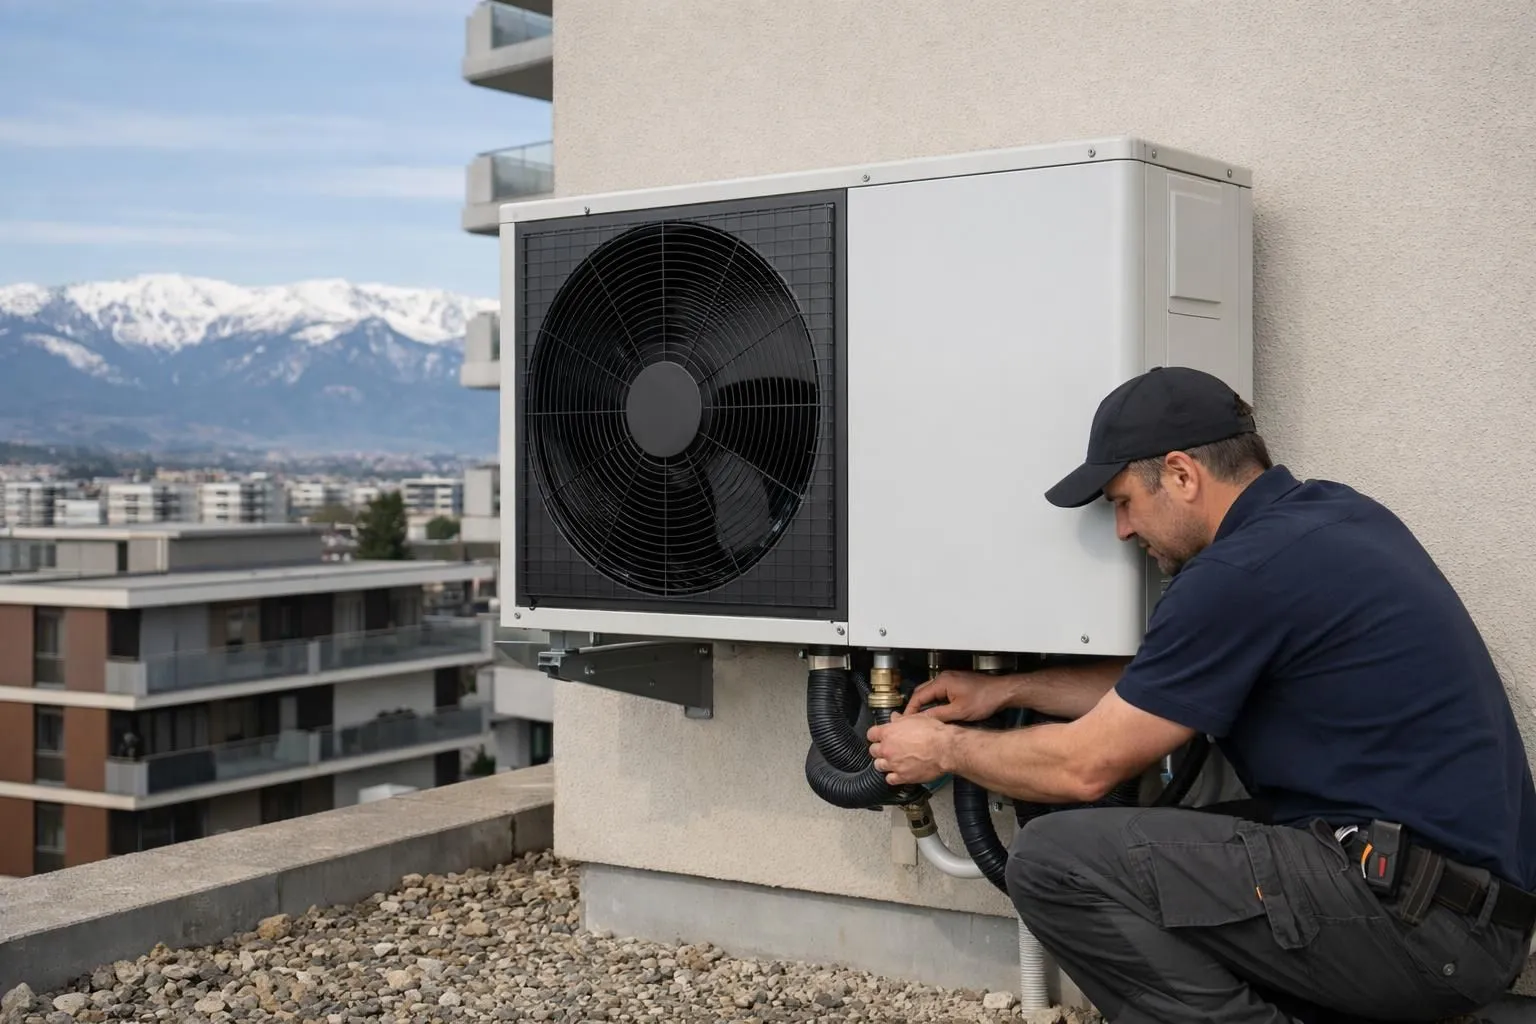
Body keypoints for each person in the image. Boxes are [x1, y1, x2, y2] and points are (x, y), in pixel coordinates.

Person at [866, 366, 1536, 1023]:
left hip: (1423, 928)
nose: (1123, 530)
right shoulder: (1327, 519)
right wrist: (1006, 689)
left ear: (1182, 474)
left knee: (1050, 860)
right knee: (1187, 841)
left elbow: (1084, 765)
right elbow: (1161, 687)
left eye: (1125, 501)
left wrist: (945, 747)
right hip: (1456, 911)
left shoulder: (1239, 573)